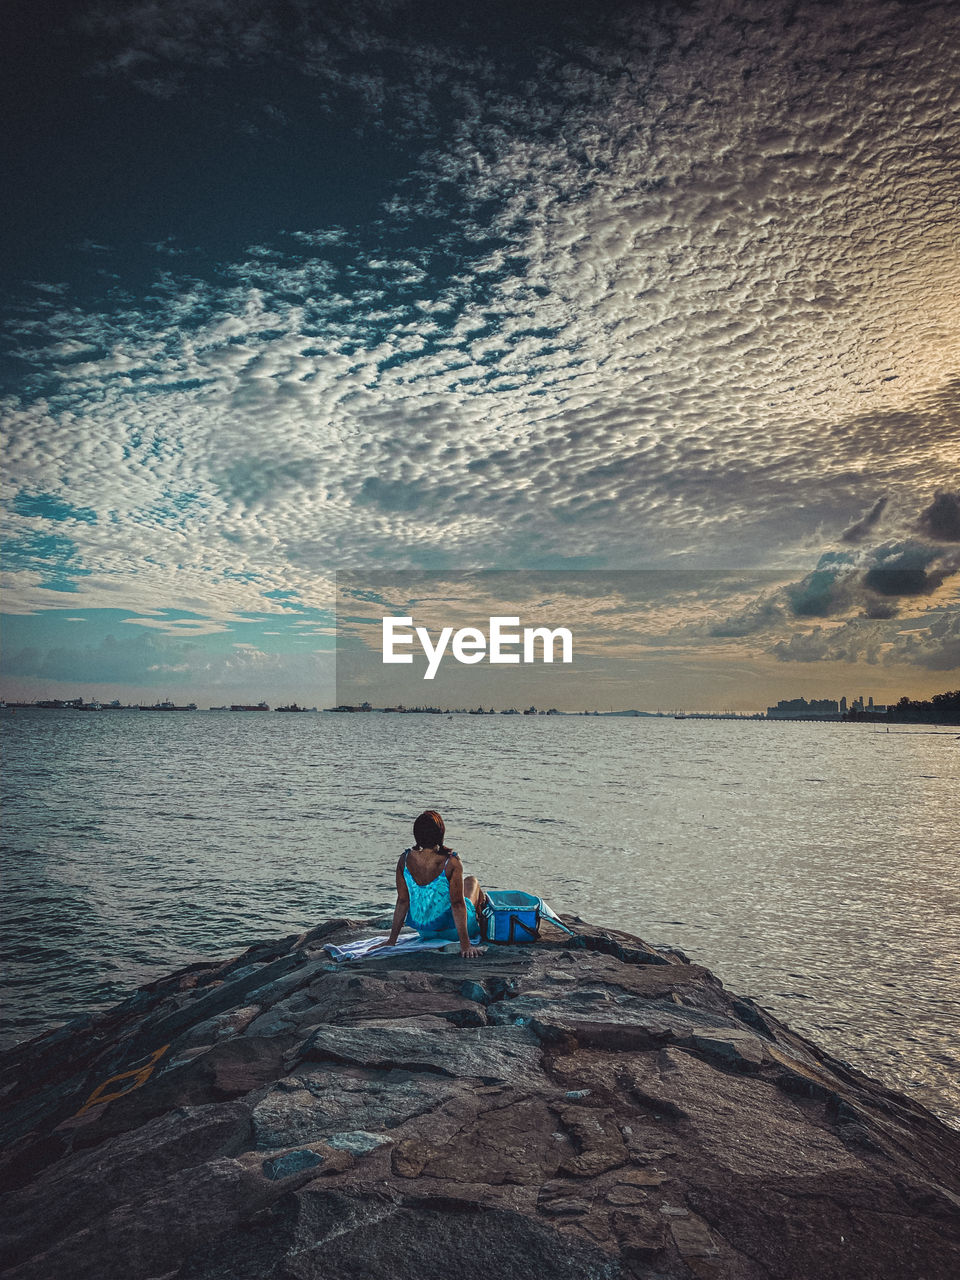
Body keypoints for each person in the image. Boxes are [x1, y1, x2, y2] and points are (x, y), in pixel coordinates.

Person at [380, 810, 486, 959]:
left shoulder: (404, 860)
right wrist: (466, 945)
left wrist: (392, 940)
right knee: (472, 881)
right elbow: (457, 904)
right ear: (440, 833)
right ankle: (481, 919)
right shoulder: (451, 861)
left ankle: (478, 916)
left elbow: (402, 901)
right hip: (453, 930)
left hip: (425, 932)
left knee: (463, 888)